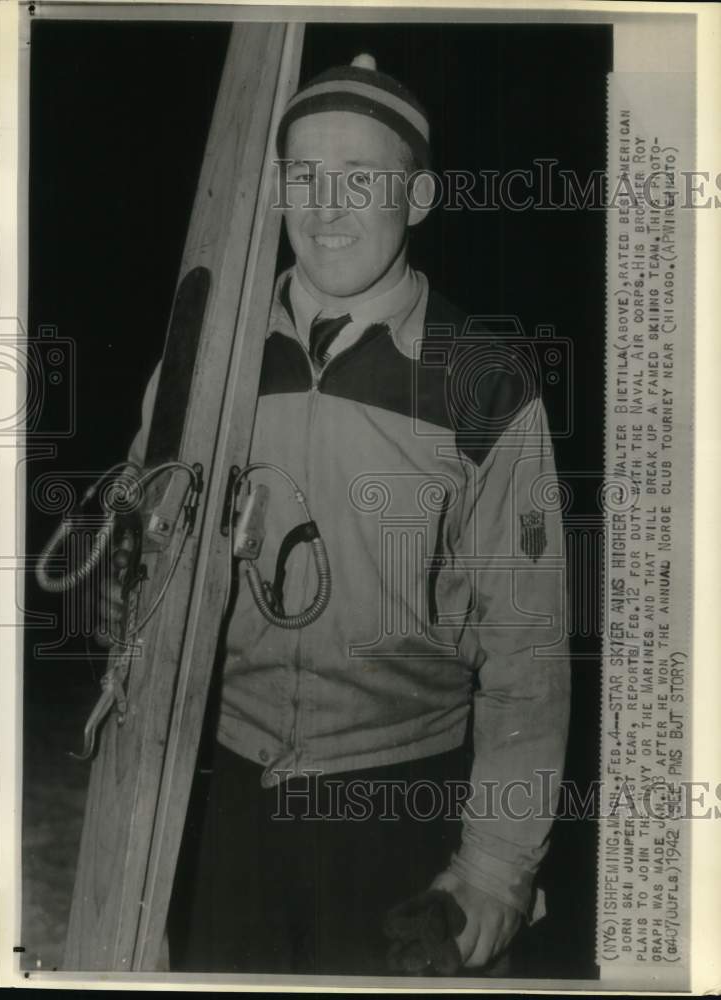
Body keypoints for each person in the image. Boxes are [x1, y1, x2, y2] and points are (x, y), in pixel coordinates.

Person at [103, 55, 570, 976]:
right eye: (304, 178)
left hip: (400, 807)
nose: (325, 210)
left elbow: (529, 656)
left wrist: (494, 870)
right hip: (220, 798)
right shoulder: (202, 358)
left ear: (421, 195)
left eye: (361, 179)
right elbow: (134, 590)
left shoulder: (483, 381)